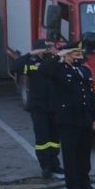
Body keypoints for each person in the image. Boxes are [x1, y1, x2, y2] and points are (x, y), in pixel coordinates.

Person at [42, 41, 95, 189]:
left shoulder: (84, 71)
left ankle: (85, 183)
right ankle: (74, 186)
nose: (79, 56)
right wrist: (57, 56)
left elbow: (90, 96)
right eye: (75, 53)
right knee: (71, 154)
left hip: (85, 119)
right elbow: (44, 70)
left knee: (84, 154)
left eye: (80, 53)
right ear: (67, 54)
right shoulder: (58, 70)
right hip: (68, 120)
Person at [11, 39, 63, 179]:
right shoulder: (30, 62)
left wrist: (58, 54)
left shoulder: (55, 61)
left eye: (51, 48)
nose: (49, 50)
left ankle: (55, 164)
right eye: (46, 48)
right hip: (38, 107)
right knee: (42, 139)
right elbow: (15, 68)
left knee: (54, 138)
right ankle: (45, 166)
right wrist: (29, 54)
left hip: (54, 106)